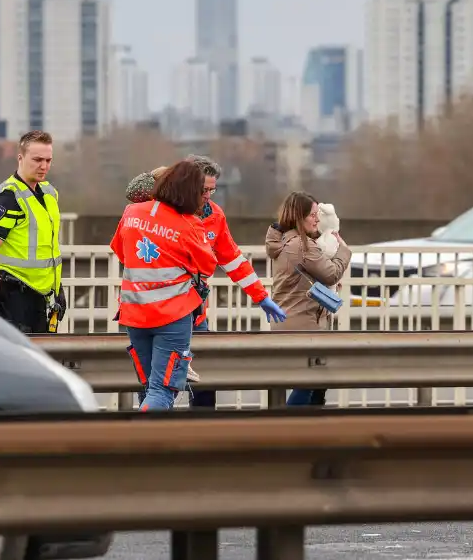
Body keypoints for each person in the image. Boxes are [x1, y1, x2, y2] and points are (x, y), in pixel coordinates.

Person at [124, 155, 286, 409]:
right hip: (167, 312)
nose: (208, 195)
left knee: (197, 385)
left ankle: (197, 432)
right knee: (158, 387)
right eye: (203, 190)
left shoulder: (214, 216)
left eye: (212, 189)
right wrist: (164, 174)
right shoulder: (162, 210)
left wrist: (261, 297)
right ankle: (150, 436)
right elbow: (133, 191)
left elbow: (232, 259)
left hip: (190, 314)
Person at [111, 161, 218, 411]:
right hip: (172, 315)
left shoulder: (132, 212)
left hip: (134, 313)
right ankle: (139, 442)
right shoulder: (189, 223)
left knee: (150, 387)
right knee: (162, 391)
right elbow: (207, 266)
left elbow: (120, 250)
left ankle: (149, 445)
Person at [265, 191, 352, 407]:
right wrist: (344, 250)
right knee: (309, 382)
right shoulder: (302, 246)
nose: (318, 219)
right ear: (299, 216)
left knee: (313, 383)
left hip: (288, 320)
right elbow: (331, 273)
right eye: (313, 215)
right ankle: (290, 426)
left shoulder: (285, 241)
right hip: (303, 323)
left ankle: (306, 428)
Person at [0, 130, 66, 333]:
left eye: (48, 160)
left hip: (42, 296)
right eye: (37, 159)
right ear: (20, 158)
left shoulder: (49, 193)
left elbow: (47, 247)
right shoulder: (8, 197)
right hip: (14, 295)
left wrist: (57, 288)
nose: (44, 166)